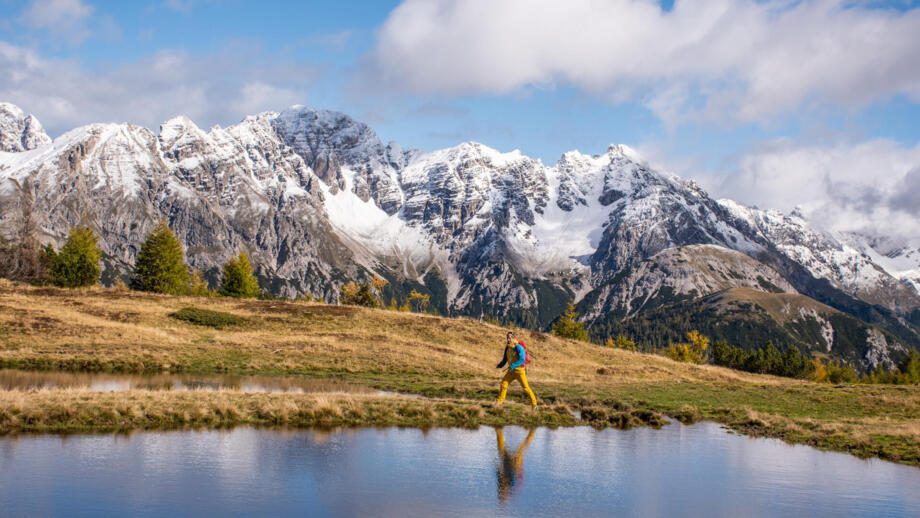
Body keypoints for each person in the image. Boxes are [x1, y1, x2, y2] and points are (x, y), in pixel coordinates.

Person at [496, 331, 537, 408]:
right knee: (504, 384)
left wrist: (513, 365)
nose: (508, 339)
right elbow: (505, 359)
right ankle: (499, 403)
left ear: (513, 338)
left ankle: (534, 404)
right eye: (508, 338)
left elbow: (522, 359)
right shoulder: (507, 347)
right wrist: (500, 365)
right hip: (511, 371)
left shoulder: (518, 347)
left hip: (519, 371)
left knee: (525, 388)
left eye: (510, 338)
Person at [495, 427, 535, 503]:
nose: (502, 491)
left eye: (501, 493)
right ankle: (532, 430)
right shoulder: (512, 485)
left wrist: (497, 464)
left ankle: (498, 429)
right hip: (515, 465)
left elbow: (498, 471)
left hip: (510, 464)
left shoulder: (501, 483)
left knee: (501, 449)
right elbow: (517, 474)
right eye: (503, 494)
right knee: (523, 447)